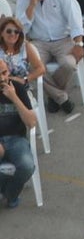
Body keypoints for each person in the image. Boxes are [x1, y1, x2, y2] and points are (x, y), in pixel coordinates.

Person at [0, 55, 36, 206]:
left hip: (16, 139)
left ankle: (9, 195)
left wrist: (14, 97)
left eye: (4, 72)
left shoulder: (18, 88)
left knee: (27, 167)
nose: (3, 78)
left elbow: (32, 122)